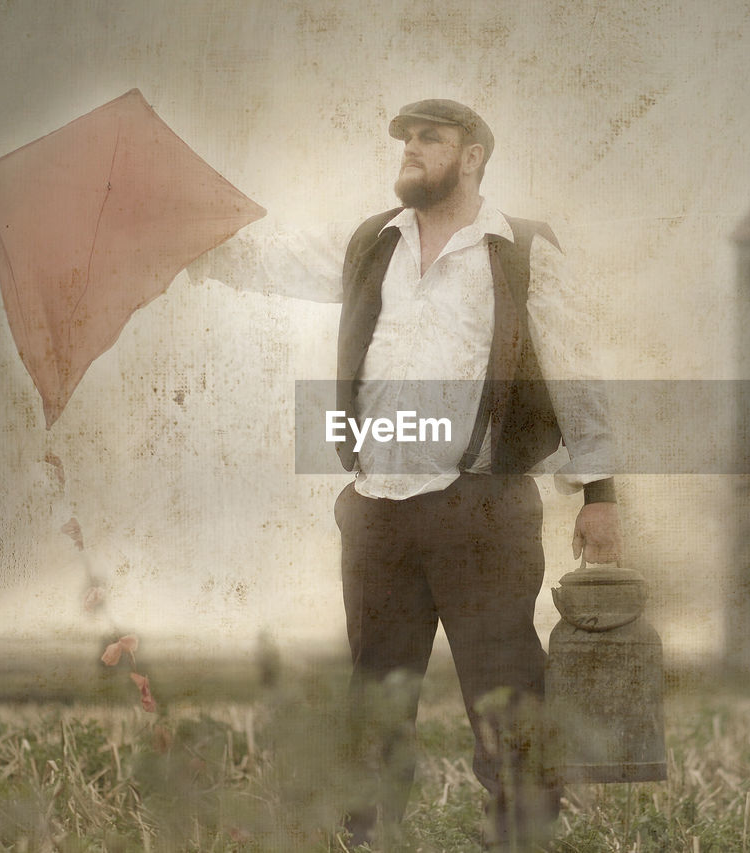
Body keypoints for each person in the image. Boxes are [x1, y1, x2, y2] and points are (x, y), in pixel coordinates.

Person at [193, 98, 620, 850]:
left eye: (431, 138)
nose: (413, 150)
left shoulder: (520, 249)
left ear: (474, 155)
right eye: (407, 139)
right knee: (376, 696)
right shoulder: (372, 243)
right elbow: (268, 257)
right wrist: (177, 236)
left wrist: (599, 493)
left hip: (482, 509)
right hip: (377, 510)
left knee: (507, 692)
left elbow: (577, 369)